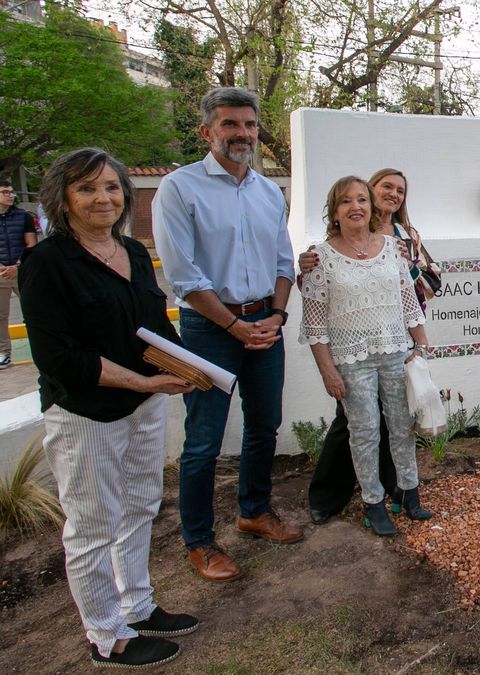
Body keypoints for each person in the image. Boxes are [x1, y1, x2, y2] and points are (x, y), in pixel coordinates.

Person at [20, 148, 198, 669]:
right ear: (63, 199)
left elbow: (156, 326)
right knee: (93, 523)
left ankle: (137, 605)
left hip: (143, 407)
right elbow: (59, 357)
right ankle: (105, 635)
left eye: (111, 187)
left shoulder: (133, 253)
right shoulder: (48, 263)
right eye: (87, 188)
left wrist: (189, 371)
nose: (103, 198)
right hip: (87, 414)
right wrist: (144, 380)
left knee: (141, 506)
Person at [152, 87, 301, 583]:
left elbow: (284, 262)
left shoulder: (267, 192)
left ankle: (254, 512)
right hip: (208, 330)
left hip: (265, 322)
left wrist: (276, 317)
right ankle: (199, 542)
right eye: (231, 125)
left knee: (264, 427)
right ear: (207, 131)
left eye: (250, 125)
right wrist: (235, 325)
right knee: (203, 442)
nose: (243, 134)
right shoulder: (179, 188)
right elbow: (184, 276)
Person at [300, 168, 437, 524]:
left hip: (396, 353)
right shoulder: (319, 258)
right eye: (346, 201)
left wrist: (421, 347)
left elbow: (409, 300)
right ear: (334, 211)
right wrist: (328, 372)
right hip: (351, 360)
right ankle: (372, 502)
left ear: (370, 206)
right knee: (364, 432)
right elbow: (315, 325)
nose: (355, 206)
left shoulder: (393, 247)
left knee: (402, 426)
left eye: (361, 199)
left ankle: (409, 492)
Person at [0, 178, 37, 369]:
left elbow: (31, 243)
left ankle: (41, 348)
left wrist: (18, 265)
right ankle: (3, 354)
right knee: (1, 316)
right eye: (5, 192)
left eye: (11, 191)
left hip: (22, 272)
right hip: (0, 275)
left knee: (35, 312)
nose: (10, 195)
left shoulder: (23, 216)